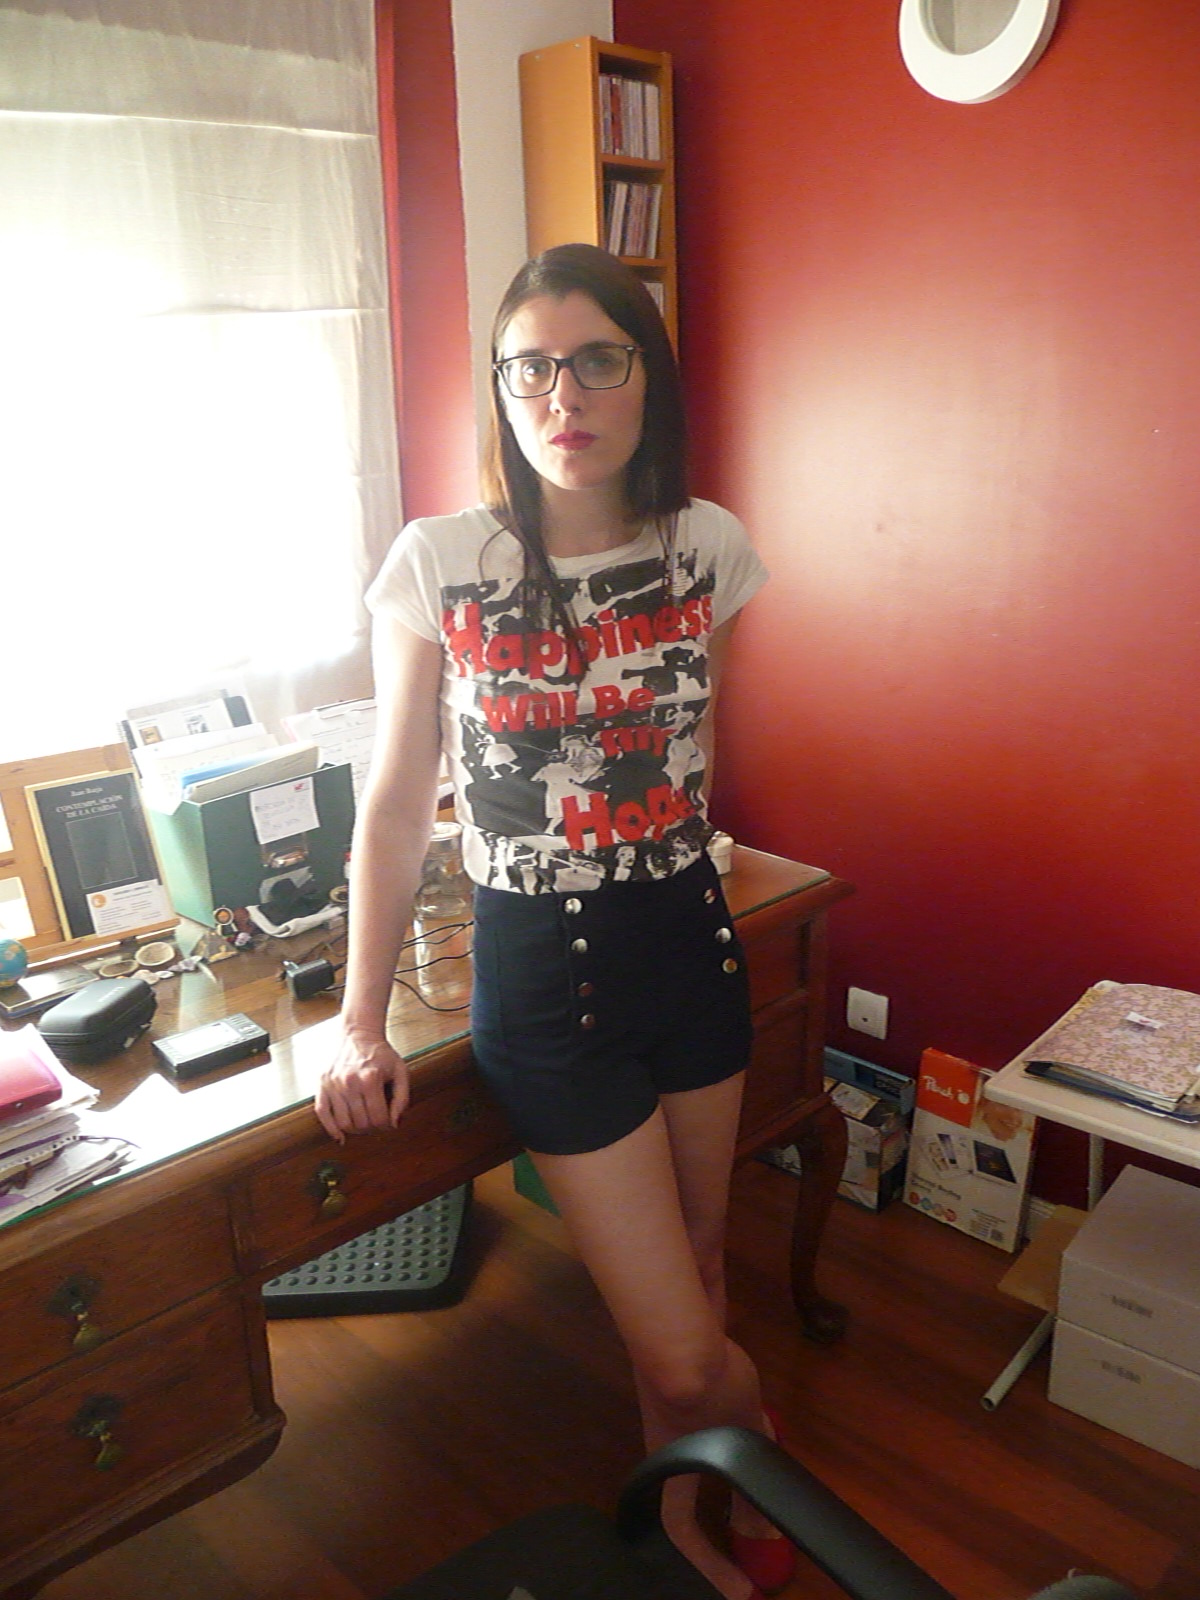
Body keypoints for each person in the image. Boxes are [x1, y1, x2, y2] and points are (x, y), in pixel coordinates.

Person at [316, 243, 790, 1600]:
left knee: (701, 1269)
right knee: (687, 1349)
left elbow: (695, 742)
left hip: (689, 941)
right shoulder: (440, 563)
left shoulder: (710, 546)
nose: (561, 395)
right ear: (501, 390)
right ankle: (753, 1441)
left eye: (596, 360)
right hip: (547, 976)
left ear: (648, 378)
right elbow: (397, 804)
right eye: (529, 368)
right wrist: (356, 1020)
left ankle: (682, 1517)